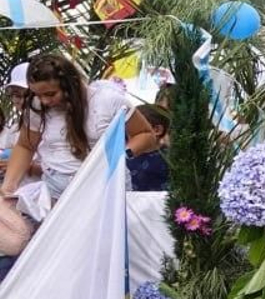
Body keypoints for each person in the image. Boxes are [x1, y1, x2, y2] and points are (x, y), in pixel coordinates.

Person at [0, 54, 156, 245]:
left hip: (105, 195)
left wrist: (121, 155)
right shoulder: (36, 106)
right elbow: (25, 146)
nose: (44, 101)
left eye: (50, 94)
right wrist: (8, 188)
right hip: (57, 197)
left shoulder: (108, 101)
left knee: (103, 252)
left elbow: (146, 135)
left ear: (71, 84)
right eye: (37, 94)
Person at [126, 105, 170, 192]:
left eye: (134, 126)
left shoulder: (170, 158)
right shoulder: (125, 156)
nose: (128, 130)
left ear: (157, 130)